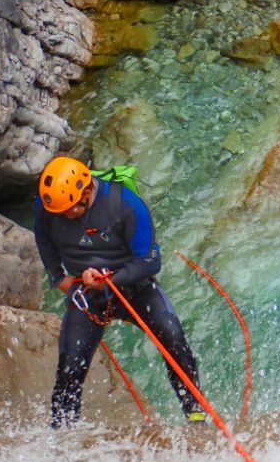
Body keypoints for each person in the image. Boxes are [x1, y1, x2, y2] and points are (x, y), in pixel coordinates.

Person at [33, 156, 205, 428]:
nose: (65, 216)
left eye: (71, 209)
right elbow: (44, 242)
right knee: (70, 365)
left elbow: (150, 261)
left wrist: (110, 279)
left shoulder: (126, 205)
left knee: (171, 335)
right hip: (87, 292)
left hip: (134, 287)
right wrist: (59, 279)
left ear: (87, 192)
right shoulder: (47, 210)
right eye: (60, 212)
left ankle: (195, 412)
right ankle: (62, 432)